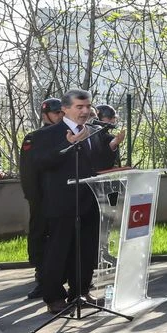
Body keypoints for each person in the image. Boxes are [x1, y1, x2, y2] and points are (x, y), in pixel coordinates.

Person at [33, 90, 117, 312]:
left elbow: (100, 162)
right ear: (65, 109)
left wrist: (112, 147)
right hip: (61, 203)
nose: (85, 111)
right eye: (79, 107)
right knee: (59, 251)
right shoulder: (47, 134)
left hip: (90, 201)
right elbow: (40, 163)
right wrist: (66, 146)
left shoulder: (94, 132)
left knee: (86, 251)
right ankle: (54, 298)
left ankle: (80, 292)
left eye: (87, 106)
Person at [20, 98, 64, 300]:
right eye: (56, 113)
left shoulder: (67, 134)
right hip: (41, 197)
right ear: (45, 114)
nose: (60, 117)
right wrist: (34, 197)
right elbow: (28, 171)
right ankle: (41, 278)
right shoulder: (34, 137)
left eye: (61, 113)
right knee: (40, 236)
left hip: (62, 196)